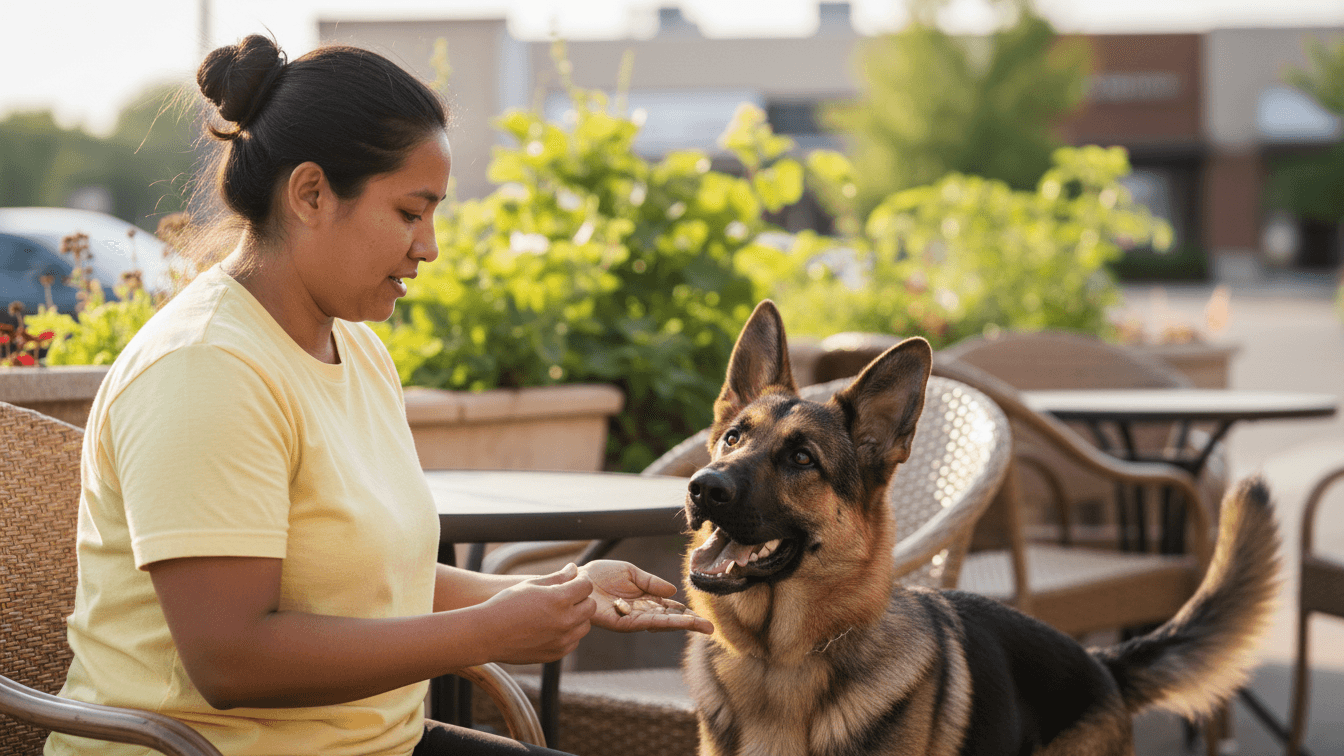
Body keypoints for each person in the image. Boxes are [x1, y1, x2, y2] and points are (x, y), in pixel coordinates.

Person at [45, 34, 712, 756]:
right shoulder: (203, 368)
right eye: (409, 212)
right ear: (310, 194)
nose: (429, 246)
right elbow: (229, 659)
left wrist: (566, 589)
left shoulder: (355, 346)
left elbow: (371, 581)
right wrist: (492, 631)